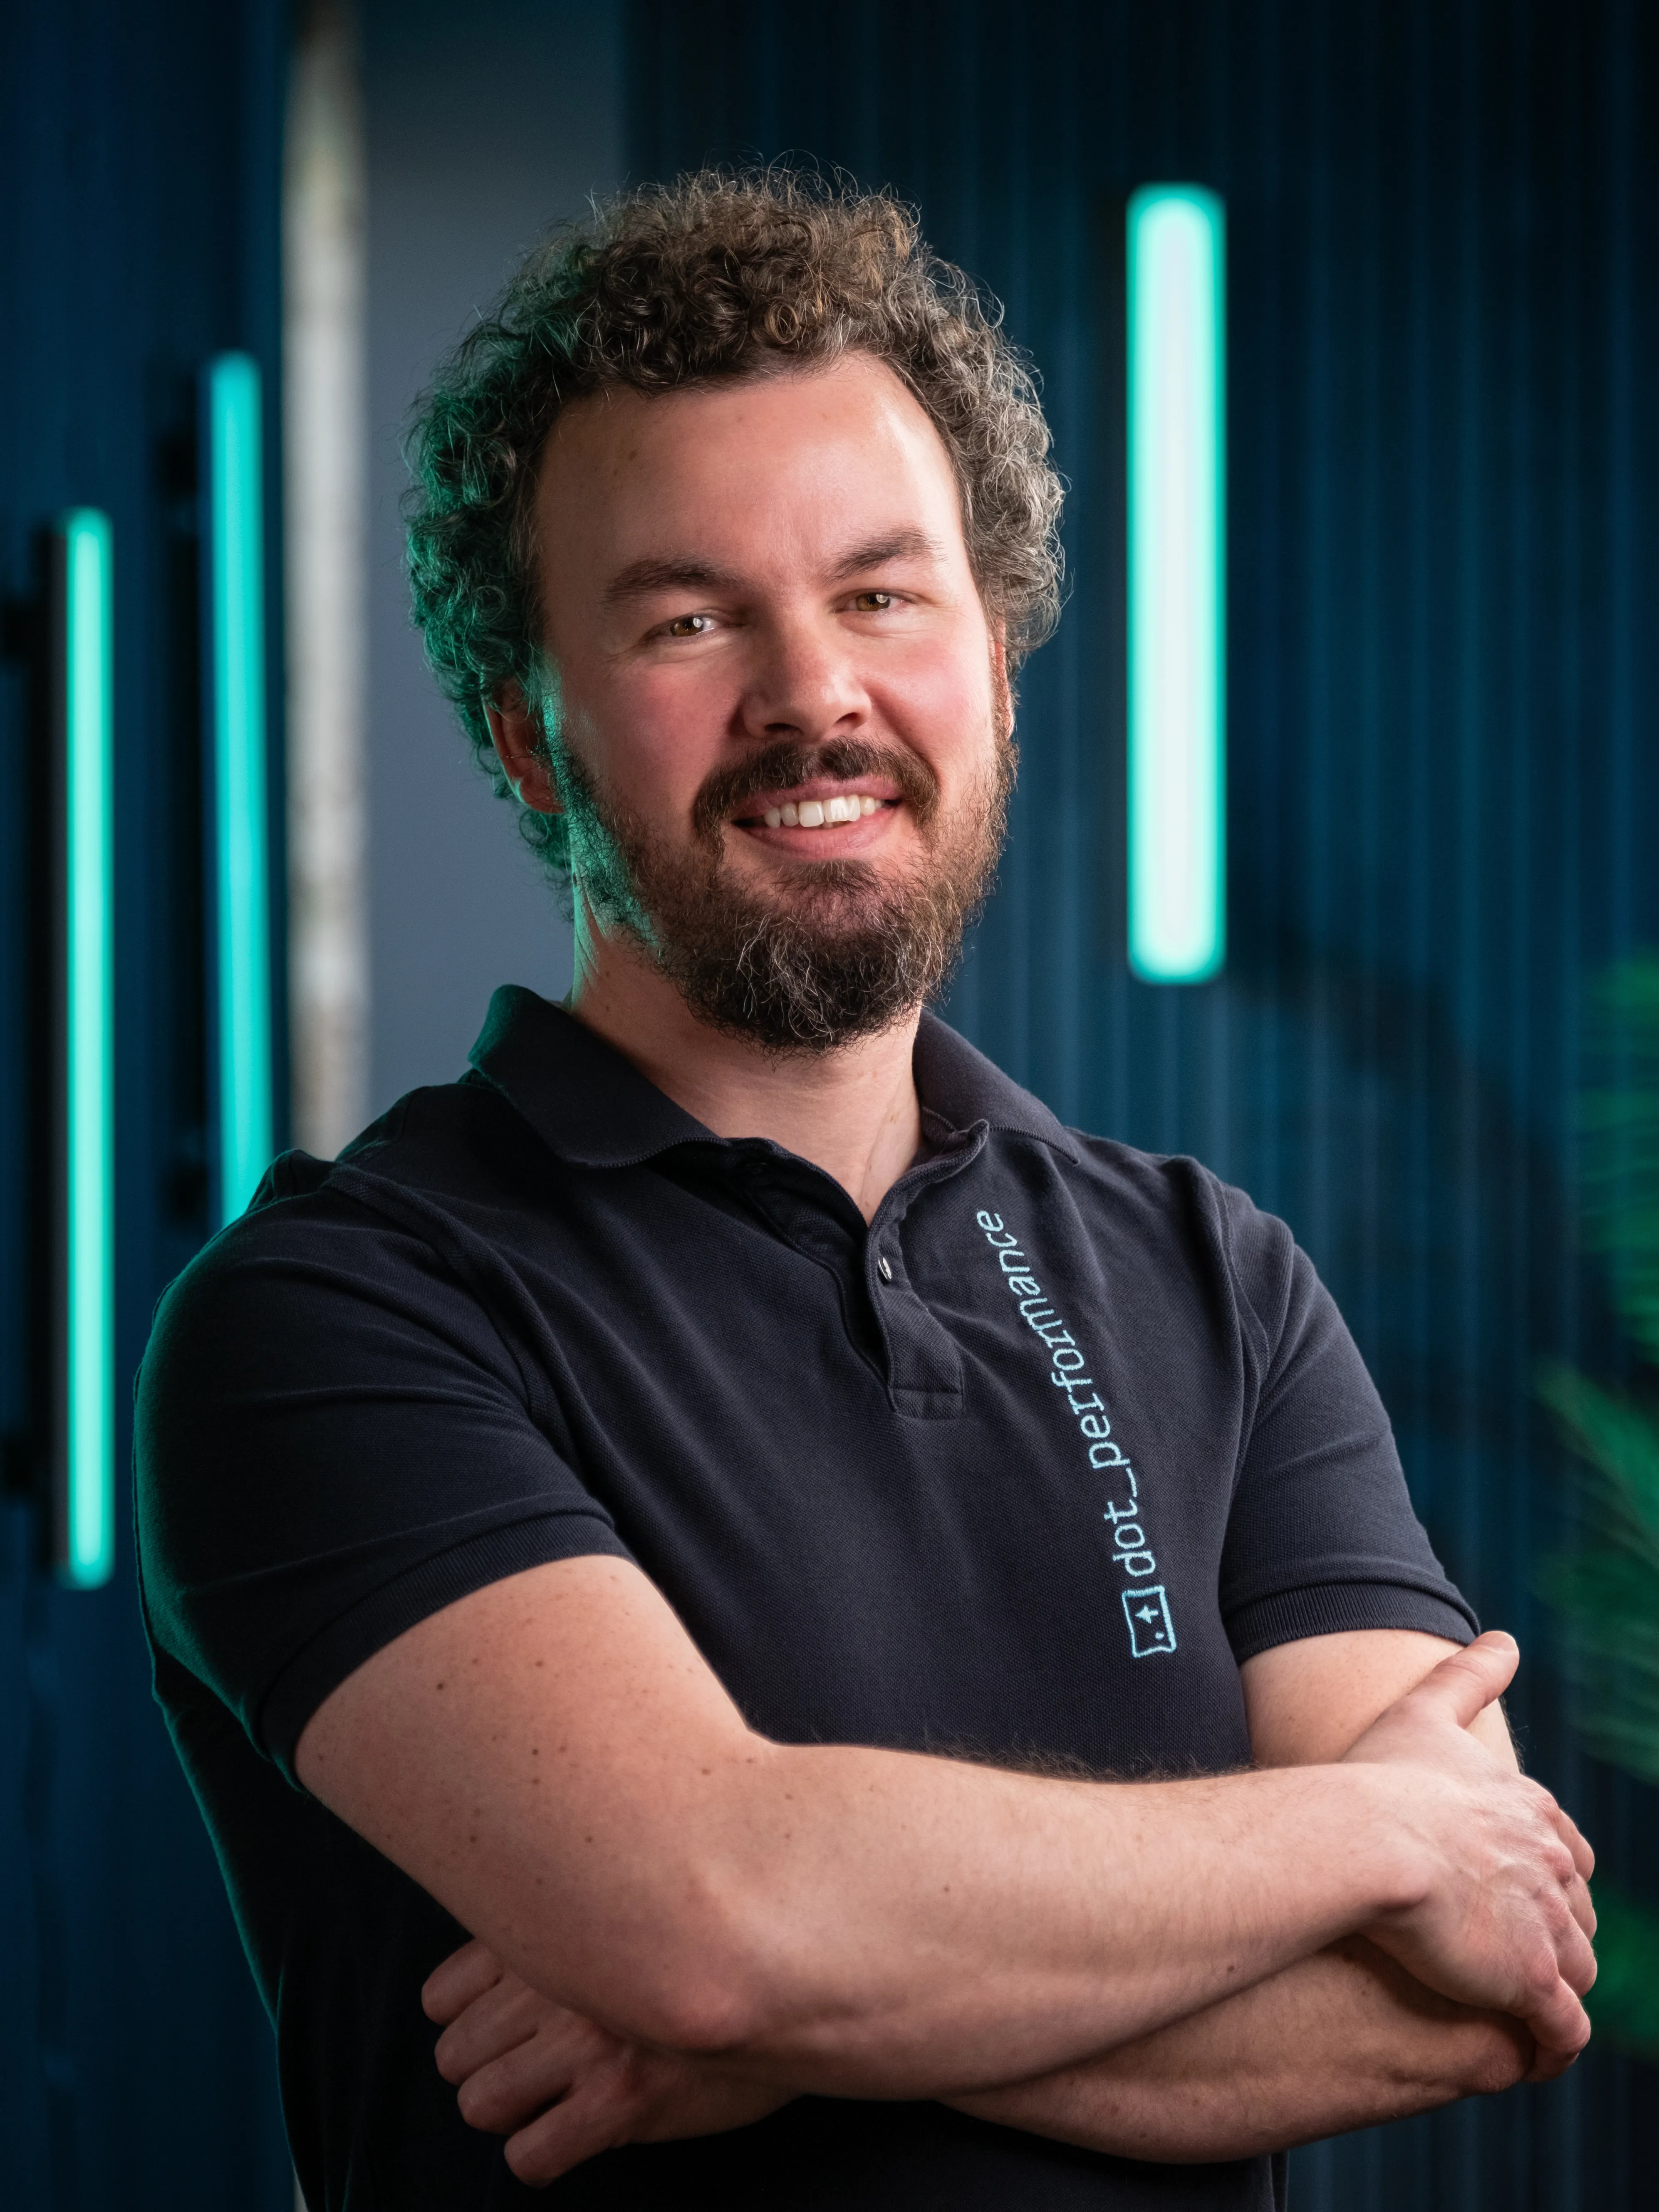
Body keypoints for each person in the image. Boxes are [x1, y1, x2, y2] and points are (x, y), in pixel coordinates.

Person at [135, 173, 1594, 2212]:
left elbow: (1476, 1995)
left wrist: (793, 2021)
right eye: (686, 616)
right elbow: (716, 1920)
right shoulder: (334, 1319)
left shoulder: (1216, 1282)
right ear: (530, 739)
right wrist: (1385, 1835)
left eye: (882, 593)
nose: (809, 690)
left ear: (994, 664)